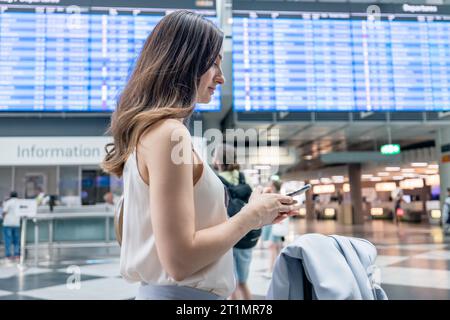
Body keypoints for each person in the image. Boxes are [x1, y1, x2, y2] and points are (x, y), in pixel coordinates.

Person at [101, 11, 299, 300]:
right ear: (185, 63)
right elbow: (180, 260)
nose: (221, 77)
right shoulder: (169, 134)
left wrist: (255, 214)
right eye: (214, 64)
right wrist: (251, 215)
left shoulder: (152, 133)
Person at [213, 143, 256, 300]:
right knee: (243, 283)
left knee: (232, 285)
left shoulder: (215, 181)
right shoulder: (246, 178)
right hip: (248, 237)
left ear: (218, 160)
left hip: (229, 236)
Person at [1, 191, 21, 261]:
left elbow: (4, 212)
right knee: (16, 240)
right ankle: (16, 255)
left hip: (7, 223)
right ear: (17, 195)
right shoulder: (19, 202)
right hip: (16, 223)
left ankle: (8, 255)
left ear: (10, 196)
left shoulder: (8, 202)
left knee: (8, 240)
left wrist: (3, 217)